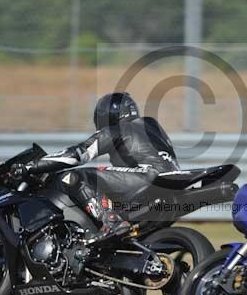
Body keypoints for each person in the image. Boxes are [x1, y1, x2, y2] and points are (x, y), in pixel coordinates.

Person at [11, 92, 179, 243]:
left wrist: (32, 166)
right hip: (172, 187)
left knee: (72, 177)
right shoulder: (151, 126)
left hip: (147, 177)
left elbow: (76, 155)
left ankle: (110, 221)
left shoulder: (116, 130)